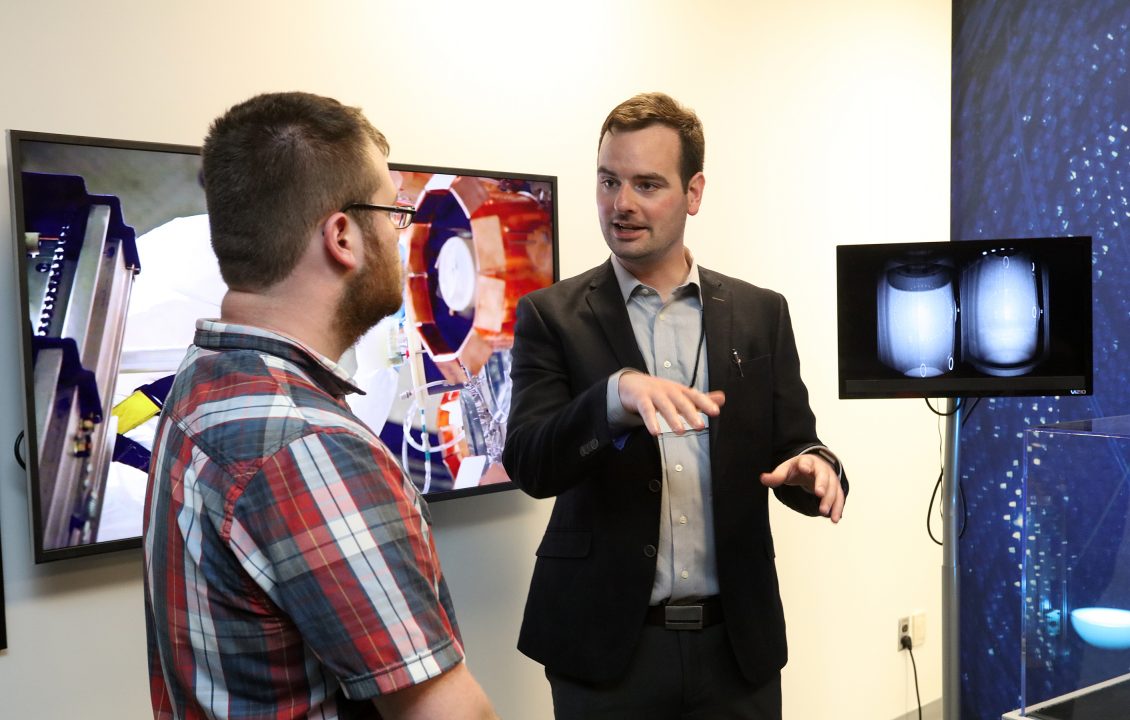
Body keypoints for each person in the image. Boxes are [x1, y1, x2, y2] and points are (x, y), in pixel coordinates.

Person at [143, 91, 498, 720]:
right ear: (342, 236)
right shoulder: (308, 446)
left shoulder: (202, 380)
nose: (398, 232)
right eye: (392, 212)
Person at [501, 92, 848, 719]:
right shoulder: (551, 316)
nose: (621, 204)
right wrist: (612, 399)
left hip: (735, 648)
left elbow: (794, 442)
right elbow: (529, 462)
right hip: (604, 652)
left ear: (694, 193)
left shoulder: (759, 314)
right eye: (608, 181)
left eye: (646, 184)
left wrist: (814, 467)